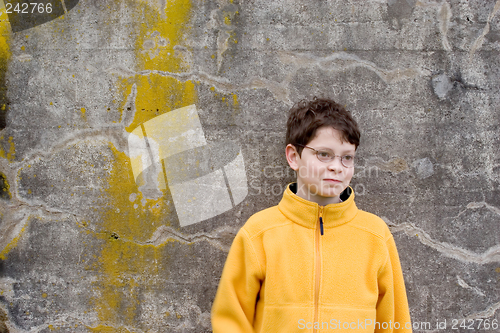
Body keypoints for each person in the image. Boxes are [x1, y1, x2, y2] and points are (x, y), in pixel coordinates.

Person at [211, 97, 412, 332]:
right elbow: (231, 320)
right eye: (324, 154)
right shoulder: (260, 232)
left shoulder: (375, 235)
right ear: (294, 157)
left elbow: (395, 323)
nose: (337, 166)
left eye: (347, 157)